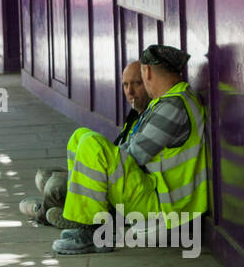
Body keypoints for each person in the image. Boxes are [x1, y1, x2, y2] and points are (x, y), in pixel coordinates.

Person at [51, 45, 209, 255]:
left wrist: (104, 157)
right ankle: (84, 217)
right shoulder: (172, 100)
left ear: (147, 72)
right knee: (80, 137)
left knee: (92, 146)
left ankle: (93, 231)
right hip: (157, 194)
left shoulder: (174, 107)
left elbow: (134, 154)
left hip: (165, 205)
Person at [18, 60, 151, 225]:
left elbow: (132, 158)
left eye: (137, 84)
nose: (130, 91)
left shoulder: (156, 117)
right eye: (125, 85)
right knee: (44, 176)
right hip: (113, 177)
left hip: (128, 188)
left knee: (55, 187)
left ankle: (54, 214)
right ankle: (56, 209)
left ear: (149, 82)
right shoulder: (134, 115)